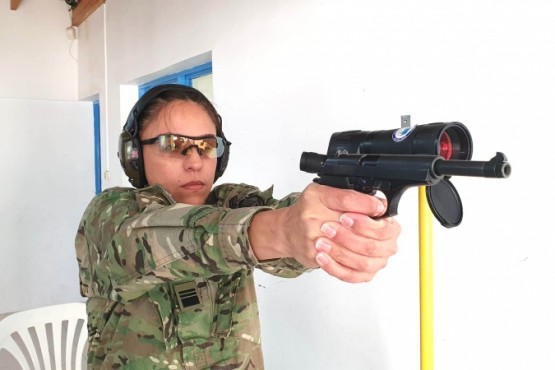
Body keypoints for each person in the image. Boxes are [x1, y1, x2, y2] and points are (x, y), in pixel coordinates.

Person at [75, 84, 401, 369]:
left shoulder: (231, 203)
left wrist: (339, 224)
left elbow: (286, 231)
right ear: (133, 154)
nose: (195, 161)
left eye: (207, 145)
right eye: (173, 144)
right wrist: (280, 229)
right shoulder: (109, 214)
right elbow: (145, 242)